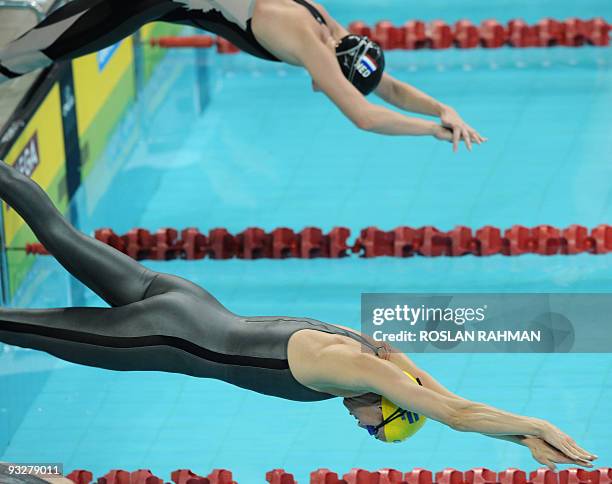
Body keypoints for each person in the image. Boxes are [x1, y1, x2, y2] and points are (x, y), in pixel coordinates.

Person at [0, 159, 596, 469]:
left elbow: (437, 392)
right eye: (374, 426)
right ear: (387, 405)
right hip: (159, 335)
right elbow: (453, 413)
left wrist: (521, 442)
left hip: (187, 297)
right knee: (16, 325)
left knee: (56, 229)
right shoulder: (363, 375)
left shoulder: (377, 357)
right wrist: (535, 425)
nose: (359, 425)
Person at [0, 0, 485, 152]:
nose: (320, 88)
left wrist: (445, 109)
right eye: (328, 84)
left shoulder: (329, 27)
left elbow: (388, 87)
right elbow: (363, 114)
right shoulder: (305, 40)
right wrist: (433, 131)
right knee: (37, 50)